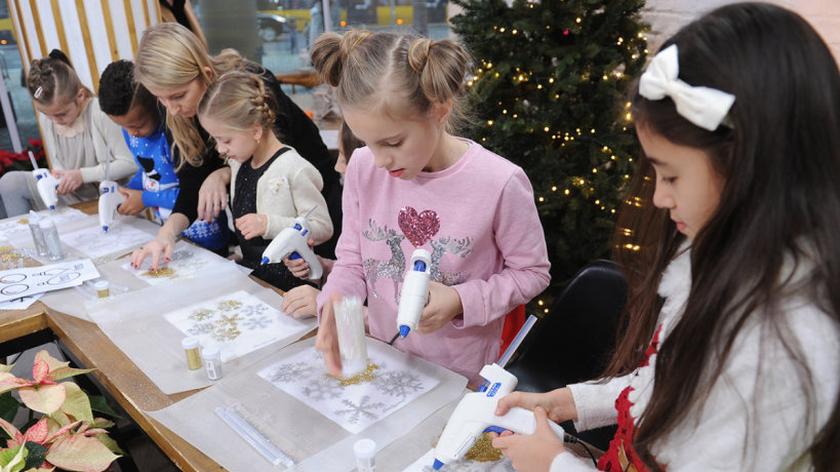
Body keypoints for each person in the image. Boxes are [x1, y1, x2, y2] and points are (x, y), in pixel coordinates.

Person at [491, 4, 840, 471]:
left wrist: (554, 465)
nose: (657, 198)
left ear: (749, 169)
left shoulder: (777, 351)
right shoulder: (728, 250)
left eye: (671, 176)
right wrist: (572, 402)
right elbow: (672, 380)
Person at [310, 30, 551, 380]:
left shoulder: (499, 183)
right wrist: (335, 301)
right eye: (367, 143)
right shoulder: (364, 167)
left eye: (392, 142)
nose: (379, 160)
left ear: (440, 109)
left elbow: (532, 273)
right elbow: (353, 261)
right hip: (385, 358)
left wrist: (460, 300)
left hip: (460, 373)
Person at [129, 22, 341, 270]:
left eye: (178, 96)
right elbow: (192, 181)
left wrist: (222, 173)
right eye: (160, 98)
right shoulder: (174, 111)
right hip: (264, 232)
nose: (172, 109)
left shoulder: (250, 88)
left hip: (312, 211)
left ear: (206, 75)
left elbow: (273, 161)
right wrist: (167, 233)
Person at [197, 70, 332, 289]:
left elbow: (322, 227)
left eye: (226, 140)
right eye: (216, 140)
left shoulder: (293, 169)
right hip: (256, 280)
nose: (221, 149)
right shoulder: (238, 163)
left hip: (292, 287)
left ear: (256, 131)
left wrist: (269, 224)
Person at [98, 59, 228, 254]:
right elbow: (148, 172)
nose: (132, 132)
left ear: (157, 102)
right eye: (124, 127)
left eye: (138, 125)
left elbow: (192, 191)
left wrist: (145, 199)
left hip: (204, 231)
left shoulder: (176, 134)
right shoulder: (133, 133)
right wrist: (128, 191)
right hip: (169, 230)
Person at [0, 50, 136, 216]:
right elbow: (58, 164)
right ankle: (24, 237)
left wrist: (82, 175)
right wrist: (58, 178)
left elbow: (130, 163)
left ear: (80, 96)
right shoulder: (50, 119)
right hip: (69, 198)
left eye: (61, 114)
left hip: (107, 197)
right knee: (9, 183)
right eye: (46, 114)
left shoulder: (99, 112)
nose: (54, 120)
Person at [282, 120, 364, 317]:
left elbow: (384, 298)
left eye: (344, 158)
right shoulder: (359, 206)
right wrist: (321, 267)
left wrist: (327, 303)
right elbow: (363, 270)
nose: (337, 166)